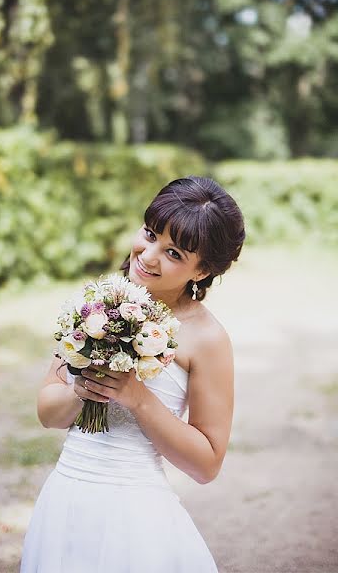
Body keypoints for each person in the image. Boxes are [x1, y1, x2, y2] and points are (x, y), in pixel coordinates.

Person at [20, 175, 245, 572]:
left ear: (202, 270)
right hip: (66, 498)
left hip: (135, 510)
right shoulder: (97, 305)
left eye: (173, 252)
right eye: (149, 233)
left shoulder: (208, 338)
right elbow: (47, 413)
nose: (149, 255)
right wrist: (83, 392)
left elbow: (207, 465)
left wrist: (139, 399)